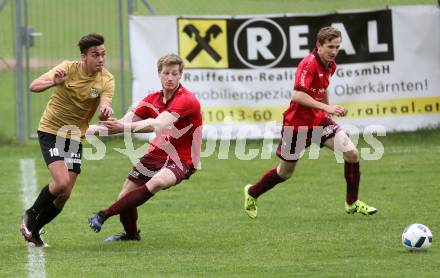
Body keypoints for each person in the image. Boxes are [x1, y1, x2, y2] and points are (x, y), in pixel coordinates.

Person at [243, 26, 377, 219]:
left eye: (337, 47)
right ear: (319, 45)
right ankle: (252, 193)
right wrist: (327, 108)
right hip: (296, 126)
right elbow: (297, 95)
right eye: (330, 46)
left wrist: (328, 109)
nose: (334, 51)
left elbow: (323, 89)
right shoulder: (308, 64)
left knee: (352, 154)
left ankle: (352, 203)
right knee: (285, 173)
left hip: (319, 122)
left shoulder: (330, 65)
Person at [87, 53, 202, 241]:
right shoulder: (151, 99)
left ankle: (103, 215)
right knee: (124, 198)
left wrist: (123, 127)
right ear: (159, 73)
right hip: (155, 154)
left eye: (174, 73)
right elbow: (123, 123)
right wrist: (79, 131)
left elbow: (159, 125)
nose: (170, 78)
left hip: (182, 158)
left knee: (157, 181)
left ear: (180, 75)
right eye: (166, 73)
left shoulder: (186, 100)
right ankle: (131, 236)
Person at [19, 33, 114, 247]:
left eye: (103, 54)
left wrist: (105, 111)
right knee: (61, 182)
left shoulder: (106, 79)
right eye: (95, 55)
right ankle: (29, 214)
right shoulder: (68, 69)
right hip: (51, 130)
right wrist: (54, 81)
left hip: (74, 136)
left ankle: (34, 231)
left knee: (64, 194)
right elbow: (33, 86)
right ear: (84, 57)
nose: (100, 59)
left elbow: (104, 103)